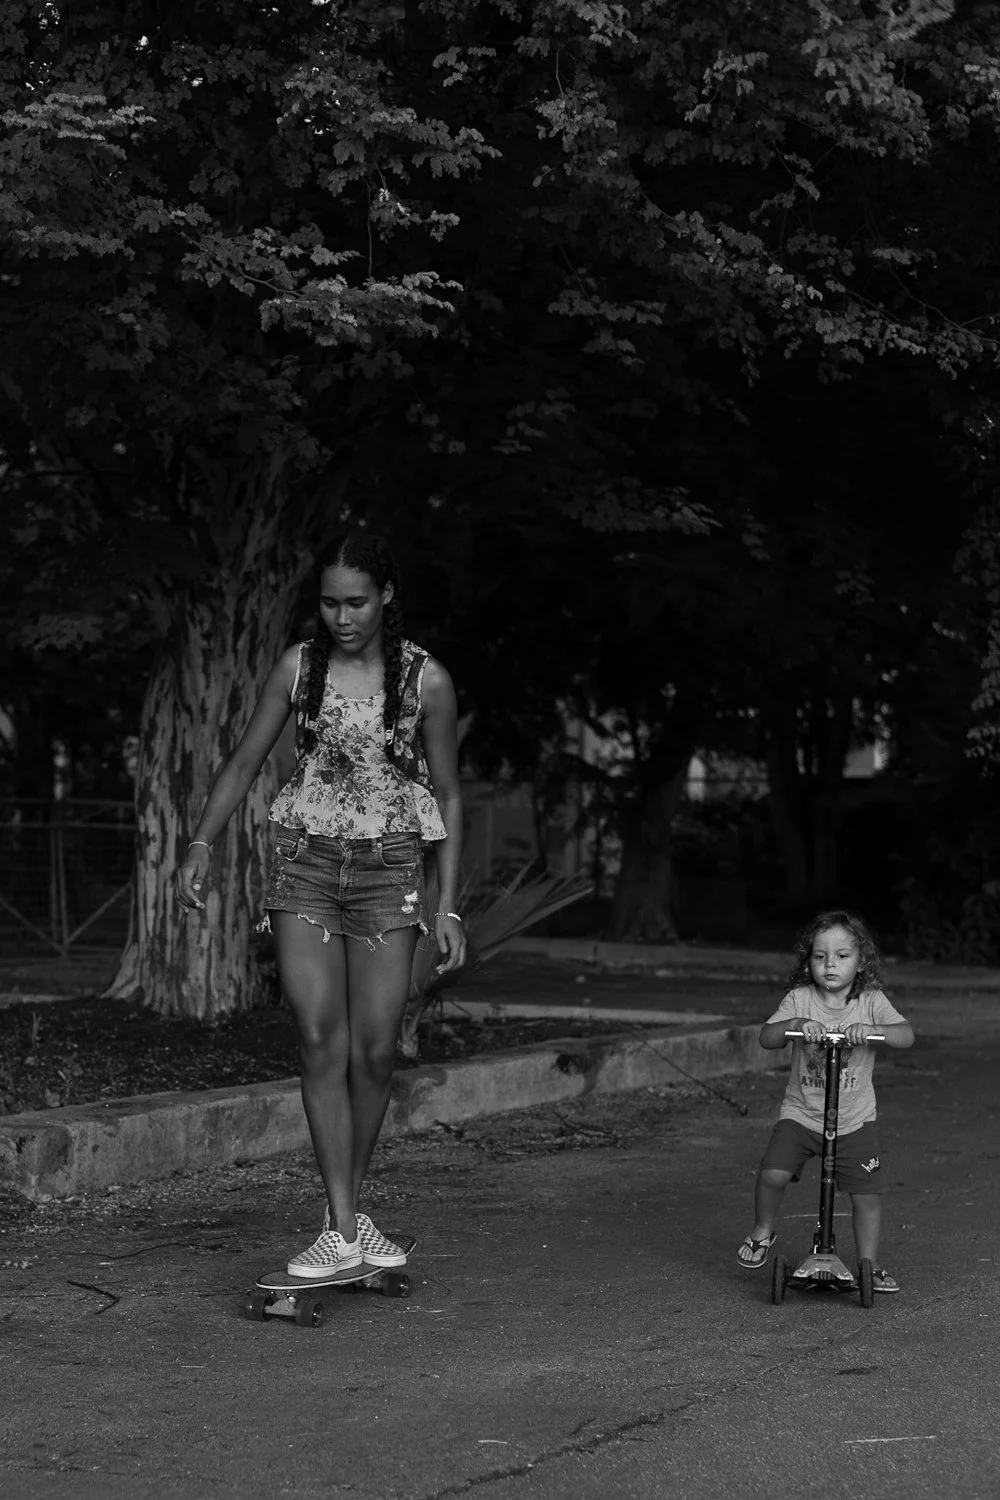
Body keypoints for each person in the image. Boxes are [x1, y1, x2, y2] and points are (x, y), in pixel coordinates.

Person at [174, 531, 465, 1277]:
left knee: (374, 1050)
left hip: (389, 868)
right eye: (330, 602)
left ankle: (351, 1212)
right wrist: (201, 844)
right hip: (304, 862)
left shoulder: (425, 680)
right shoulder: (298, 669)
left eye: (357, 602)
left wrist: (450, 907)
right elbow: (243, 760)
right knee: (317, 1038)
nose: (342, 617)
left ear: (387, 597)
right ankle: (340, 1225)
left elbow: (451, 794)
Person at [736, 910, 914, 1293]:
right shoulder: (800, 998)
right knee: (773, 1173)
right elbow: (767, 1037)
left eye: (842, 955)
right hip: (802, 1114)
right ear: (809, 961)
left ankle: (869, 1264)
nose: (829, 964)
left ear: (861, 961)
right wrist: (796, 1026)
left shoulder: (870, 1001)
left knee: (867, 1194)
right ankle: (762, 1231)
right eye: (820, 956)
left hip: (853, 1118)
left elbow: (905, 1036)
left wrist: (874, 1030)